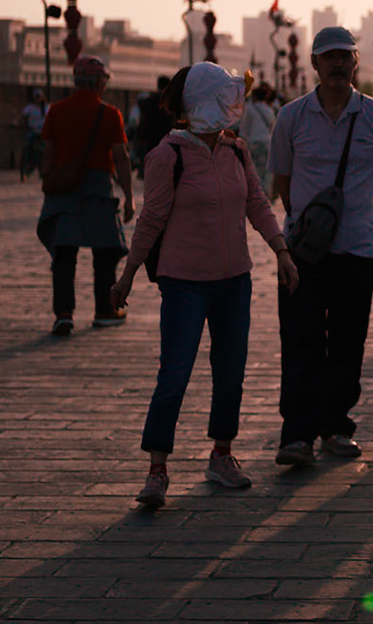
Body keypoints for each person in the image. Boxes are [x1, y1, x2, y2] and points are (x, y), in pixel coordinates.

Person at [113, 64, 298, 508]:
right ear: (202, 104)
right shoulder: (167, 156)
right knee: (174, 373)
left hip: (234, 279)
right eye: (224, 100)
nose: (233, 108)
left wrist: (281, 250)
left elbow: (256, 202)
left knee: (231, 371)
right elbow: (151, 220)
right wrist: (128, 274)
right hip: (184, 283)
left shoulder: (235, 152)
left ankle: (222, 455)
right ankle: (157, 468)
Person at [268, 27, 373, 467]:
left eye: (345, 57)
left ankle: (337, 425)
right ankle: (297, 435)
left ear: (356, 62)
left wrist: (345, 212)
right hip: (303, 253)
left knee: (349, 341)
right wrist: (311, 224)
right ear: (314, 64)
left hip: (358, 248)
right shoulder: (291, 117)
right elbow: (281, 181)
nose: (337, 65)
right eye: (329, 58)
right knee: (301, 340)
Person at [36, 56, 135, 336]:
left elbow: (47, 156)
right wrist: (129, 196)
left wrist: (51, 180)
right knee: (104, 252)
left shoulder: (56, 111)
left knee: (64, 254)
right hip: (98, 189)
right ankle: (105, 310)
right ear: (99, 82)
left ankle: (64, 313)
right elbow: (121, 157)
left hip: (64, 188)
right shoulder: (110, 114)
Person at [239, 81, 279, 189]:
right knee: (266, 172)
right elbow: (272, 128)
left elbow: (244, 128)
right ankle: (266, 195)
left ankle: (257, 194)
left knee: (254, 172)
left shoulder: (249, 109)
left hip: (254, 143)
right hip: (267, 144)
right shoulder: (269, 110)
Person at [132, 75, 172, 173]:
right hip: (168, 140)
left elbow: (143, 121)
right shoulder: (171, 102)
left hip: (151, 141)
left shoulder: (148, 102)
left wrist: (139, 138)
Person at [16, 89, 48, 180]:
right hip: (33, 130)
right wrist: (15, 122)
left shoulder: (45, 108)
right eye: (36, 97)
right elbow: (21, 116)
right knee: (27, 148)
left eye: (39, 97)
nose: (37, 99)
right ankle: (25, 171)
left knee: (45, 150)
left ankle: (44, 170)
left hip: (42, 131)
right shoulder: (30, 107)